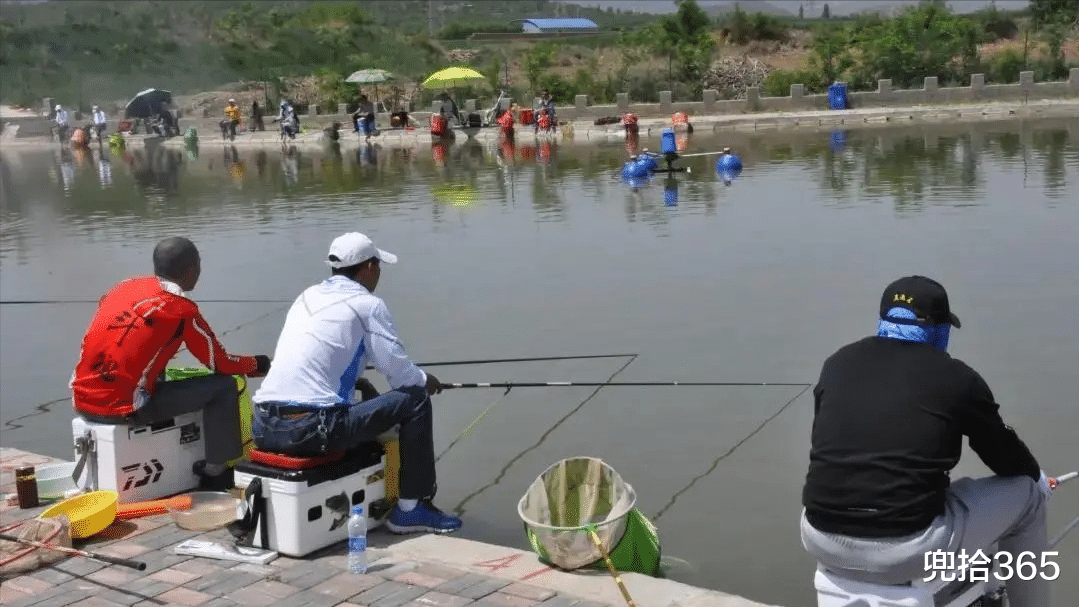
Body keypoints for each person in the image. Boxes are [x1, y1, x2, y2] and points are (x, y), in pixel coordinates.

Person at [800, 275, 1052, 607]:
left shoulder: (837, 363)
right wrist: (1037, 479)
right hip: (905, 552)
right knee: (1028, 497)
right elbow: (1007, 461)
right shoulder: (957, 377)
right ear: (937, 328)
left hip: (819, 536)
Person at [251, 232, 462, 535]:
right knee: (414, 398)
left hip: (263, 425)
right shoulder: (367, 305)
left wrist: (360, 382)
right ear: (369, 267)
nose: (380, 274)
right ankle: (412, 509)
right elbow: (399, 373)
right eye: (378, 266)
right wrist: (427, 381)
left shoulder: (305, 297)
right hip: (310, 430)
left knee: (361, 393)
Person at [69, 237, 271, 490]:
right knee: (224, 386)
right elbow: (221, 363)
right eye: (198, 267)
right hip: (124, 409)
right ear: (191, 270)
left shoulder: (122, 288)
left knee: (153, 364)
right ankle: (216, 474)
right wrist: (259, 364)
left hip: (82, 401)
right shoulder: (182, 310)